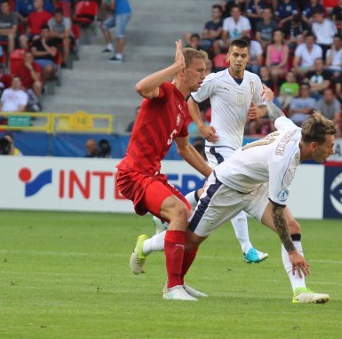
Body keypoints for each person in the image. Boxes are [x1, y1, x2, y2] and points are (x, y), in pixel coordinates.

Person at [139, 86, 330, 303]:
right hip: (226, 187)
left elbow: (278, 116)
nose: (332, 150)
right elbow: (276, 210)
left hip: (254, 187)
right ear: (314, 146)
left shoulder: (295, 131)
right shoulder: (285, 162)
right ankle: (145, 246)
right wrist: (293, 252)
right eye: (330, 146)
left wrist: (268, 102)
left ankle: (300, 292)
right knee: (190, 240)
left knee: (292, 227)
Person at [154, 39, 270, 264]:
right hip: (218, 145)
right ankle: (247, 248)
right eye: (235, 55)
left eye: (243, 56)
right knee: (237, 188)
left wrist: (261, 112)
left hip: (237, 146)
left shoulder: (253, 81)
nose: (238, 60)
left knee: (211, 191)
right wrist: (201, 126)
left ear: (248, 58)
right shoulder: (216, 79)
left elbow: (263, 106)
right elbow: (192, 101)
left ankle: (164, 216)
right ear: (228, 55)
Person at [120, 42, 212, 301]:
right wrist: (174, 66)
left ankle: (176, 280)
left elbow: (185, 149)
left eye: (205, 71)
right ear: (183, 71)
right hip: (134, 173)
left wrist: (214, 175)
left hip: (151, 174)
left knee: (192, 222)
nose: (203, 76)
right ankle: (172, 289)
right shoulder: (166, 92)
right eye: (199, 70)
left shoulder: (183, 106)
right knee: (179, 211)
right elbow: (141, 87)